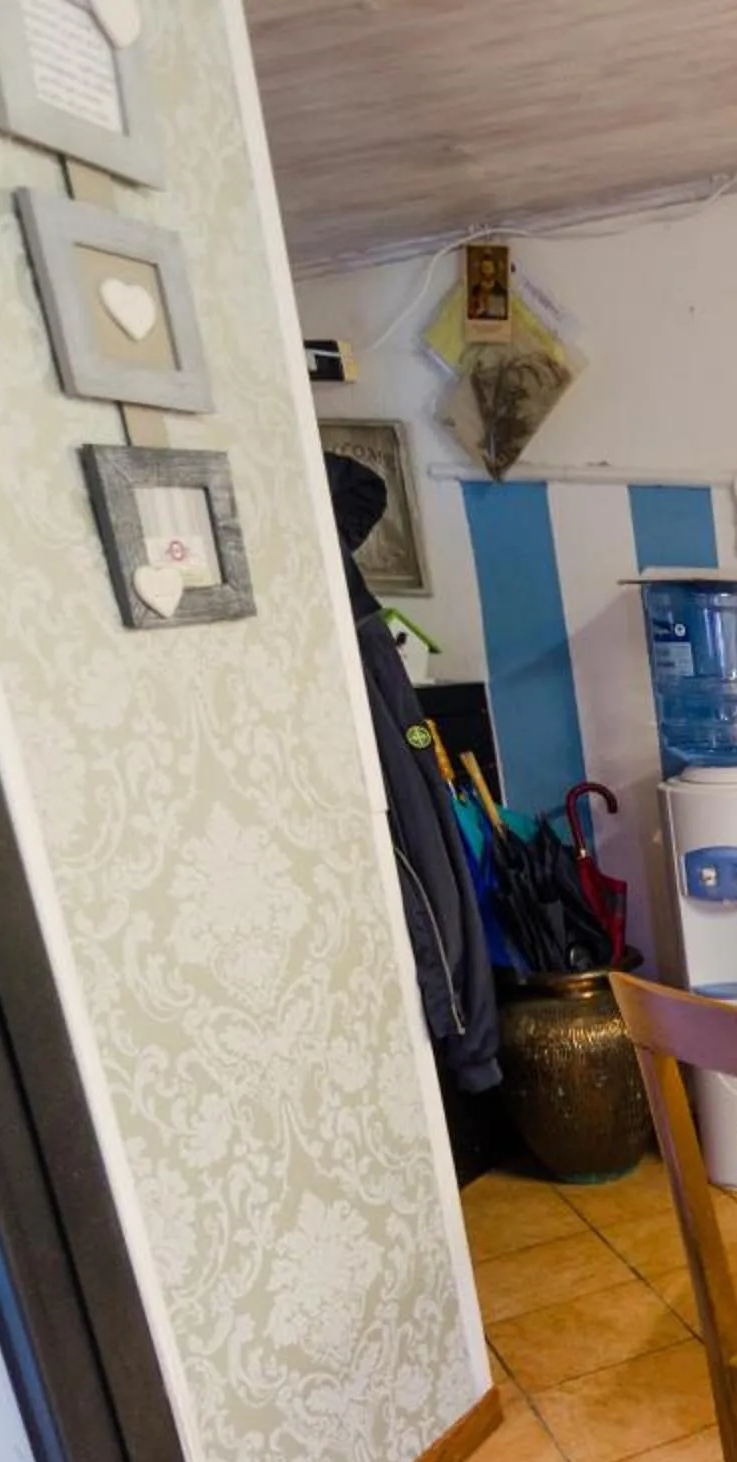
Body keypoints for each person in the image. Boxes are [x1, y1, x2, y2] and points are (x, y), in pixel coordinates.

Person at [325, 453, 498, 1094]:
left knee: (426, 823)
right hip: (375, 673)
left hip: (382, 675)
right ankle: (469, 1046)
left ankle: (468, 1041)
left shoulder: (294, 489)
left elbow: (361, 486)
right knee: (425, 832)